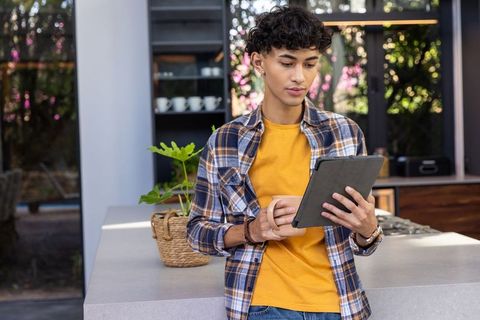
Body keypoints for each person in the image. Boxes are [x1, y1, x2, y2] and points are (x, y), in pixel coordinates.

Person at [187, 5, 383, 320]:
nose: (299, 77)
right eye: (287, 63)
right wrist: (252, 230)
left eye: (310, 64)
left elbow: (364, 244)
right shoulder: (226, 141)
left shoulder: (345, 133)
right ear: (259, 62)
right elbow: (197, 233)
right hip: (264, 304)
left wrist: (367, 228)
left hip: (340, 304)